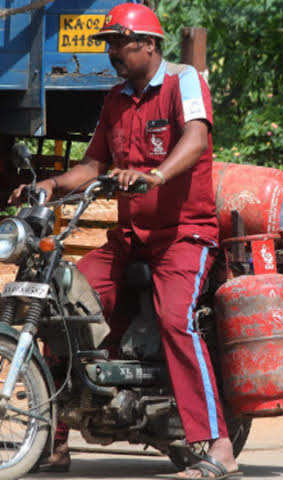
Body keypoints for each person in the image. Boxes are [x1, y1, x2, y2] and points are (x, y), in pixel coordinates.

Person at [10, 3, 239, 479]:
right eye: (109, 44)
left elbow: (195, 139)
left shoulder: (183, 82)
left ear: (149, 45)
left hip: (184, 236)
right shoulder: (117, 99)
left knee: (178, 322)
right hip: (130, 239)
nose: (111, 52)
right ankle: (52, 440)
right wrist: (51, 186)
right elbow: (94, 164)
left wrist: (153, 176)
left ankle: (219, 449)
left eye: (119, 43)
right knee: (61, 303)